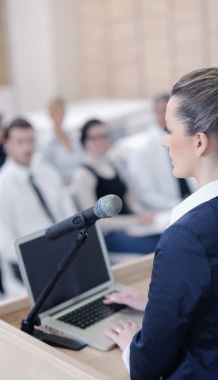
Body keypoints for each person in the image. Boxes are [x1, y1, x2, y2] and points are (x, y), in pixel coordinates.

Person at [104, 68, 218, 379]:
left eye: (168, 130)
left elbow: (147, 366)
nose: (164, 142)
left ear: (198, 142)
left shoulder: (186, 237)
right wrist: (162, 307)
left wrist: (131, 344)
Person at [0, 118, 77, 297]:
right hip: (31, 270)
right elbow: (7, 248)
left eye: (31, 140)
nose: (27, 147)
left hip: (68, 255)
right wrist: (50, 253)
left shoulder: (48, 173)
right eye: (20, 142)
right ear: (6, 144)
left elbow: (71, 215)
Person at [72, 119, 162, 254]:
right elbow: (95, 221)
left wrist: (144, 215)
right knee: (157, 247)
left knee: (168, 236)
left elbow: (131, 202)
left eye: (103, 136)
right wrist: (135, 221)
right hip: (111, 233)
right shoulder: (83, 175)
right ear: (85, 142)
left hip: (134, 226)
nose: (100, 141)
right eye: (94, 138)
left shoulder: (116, 164)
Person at [110, 94, 197, 211]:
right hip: (168, 209)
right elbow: (146, 193)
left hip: (195, 200)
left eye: (172, 112)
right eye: (163, 111)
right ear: (155, 114)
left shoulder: (189, 138)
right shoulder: (142, 149)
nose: (168, 116)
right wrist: (179, 205)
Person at [38, 97, 82, 184]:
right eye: (56, 112)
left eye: (62, 111)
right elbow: (45, 168)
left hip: (80, 182)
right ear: (50, 114)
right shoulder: (45, 142)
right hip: (60, 186)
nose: (59, 115)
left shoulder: (74, 136)